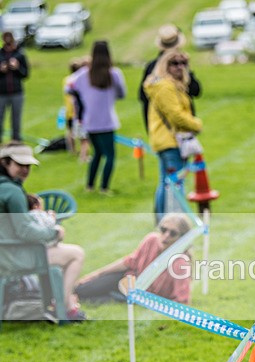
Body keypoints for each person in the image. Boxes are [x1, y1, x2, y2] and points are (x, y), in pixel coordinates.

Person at [0, 143, 86, 321]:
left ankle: (54, 303)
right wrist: (54, 233)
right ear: (5, 162)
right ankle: (63, 307)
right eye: (20, 164)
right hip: (14, 257)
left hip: (7, 252)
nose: (25, 170)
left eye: (28, 165)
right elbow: (25, 231)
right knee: (76, 254)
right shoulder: (12, 192)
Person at [74, 213, 192, 304]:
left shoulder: (180, 263)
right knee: (80, 288)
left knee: (89, 299)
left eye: (173, 233)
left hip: (141, 296)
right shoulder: (151, 239)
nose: (166, 236)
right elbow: (129, 261)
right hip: (128, 279)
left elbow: (182, 299)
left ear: (182, 238)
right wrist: (97, 274)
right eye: (163, 230)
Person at [144, 48, 203, 223]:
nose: (180, 67)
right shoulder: (165, 87)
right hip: (170, 141)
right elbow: (175, 116)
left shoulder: (169, 85)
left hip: (167, 139)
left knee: (166, 182)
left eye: (184, 63)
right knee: (175, 184)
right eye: (174, 63)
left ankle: (163, 222)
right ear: (164, 65)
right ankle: (172, 223)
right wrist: (196, 124)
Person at [67, 41, 126, 194]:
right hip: (107, 121)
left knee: (97, 153)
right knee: (110, 155)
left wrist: (83, 98)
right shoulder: (114, 74)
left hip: (90, 121)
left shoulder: (83, 75)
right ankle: (104, 187)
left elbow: (69, 87)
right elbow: (122, 94)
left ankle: (90, 185)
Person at [138, 25, 202, 132]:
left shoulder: (151, 67)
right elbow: (195, 90)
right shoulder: (180, 66)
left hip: (158, 127)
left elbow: (143, 97)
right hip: (178, 128)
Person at [0, 32, 28, 143]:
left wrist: (17, 67)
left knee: (16, 118)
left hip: (16, 92)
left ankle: (16, 140)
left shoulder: (20, 55)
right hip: (2, 92)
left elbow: (25, 74)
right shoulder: (0, 55)